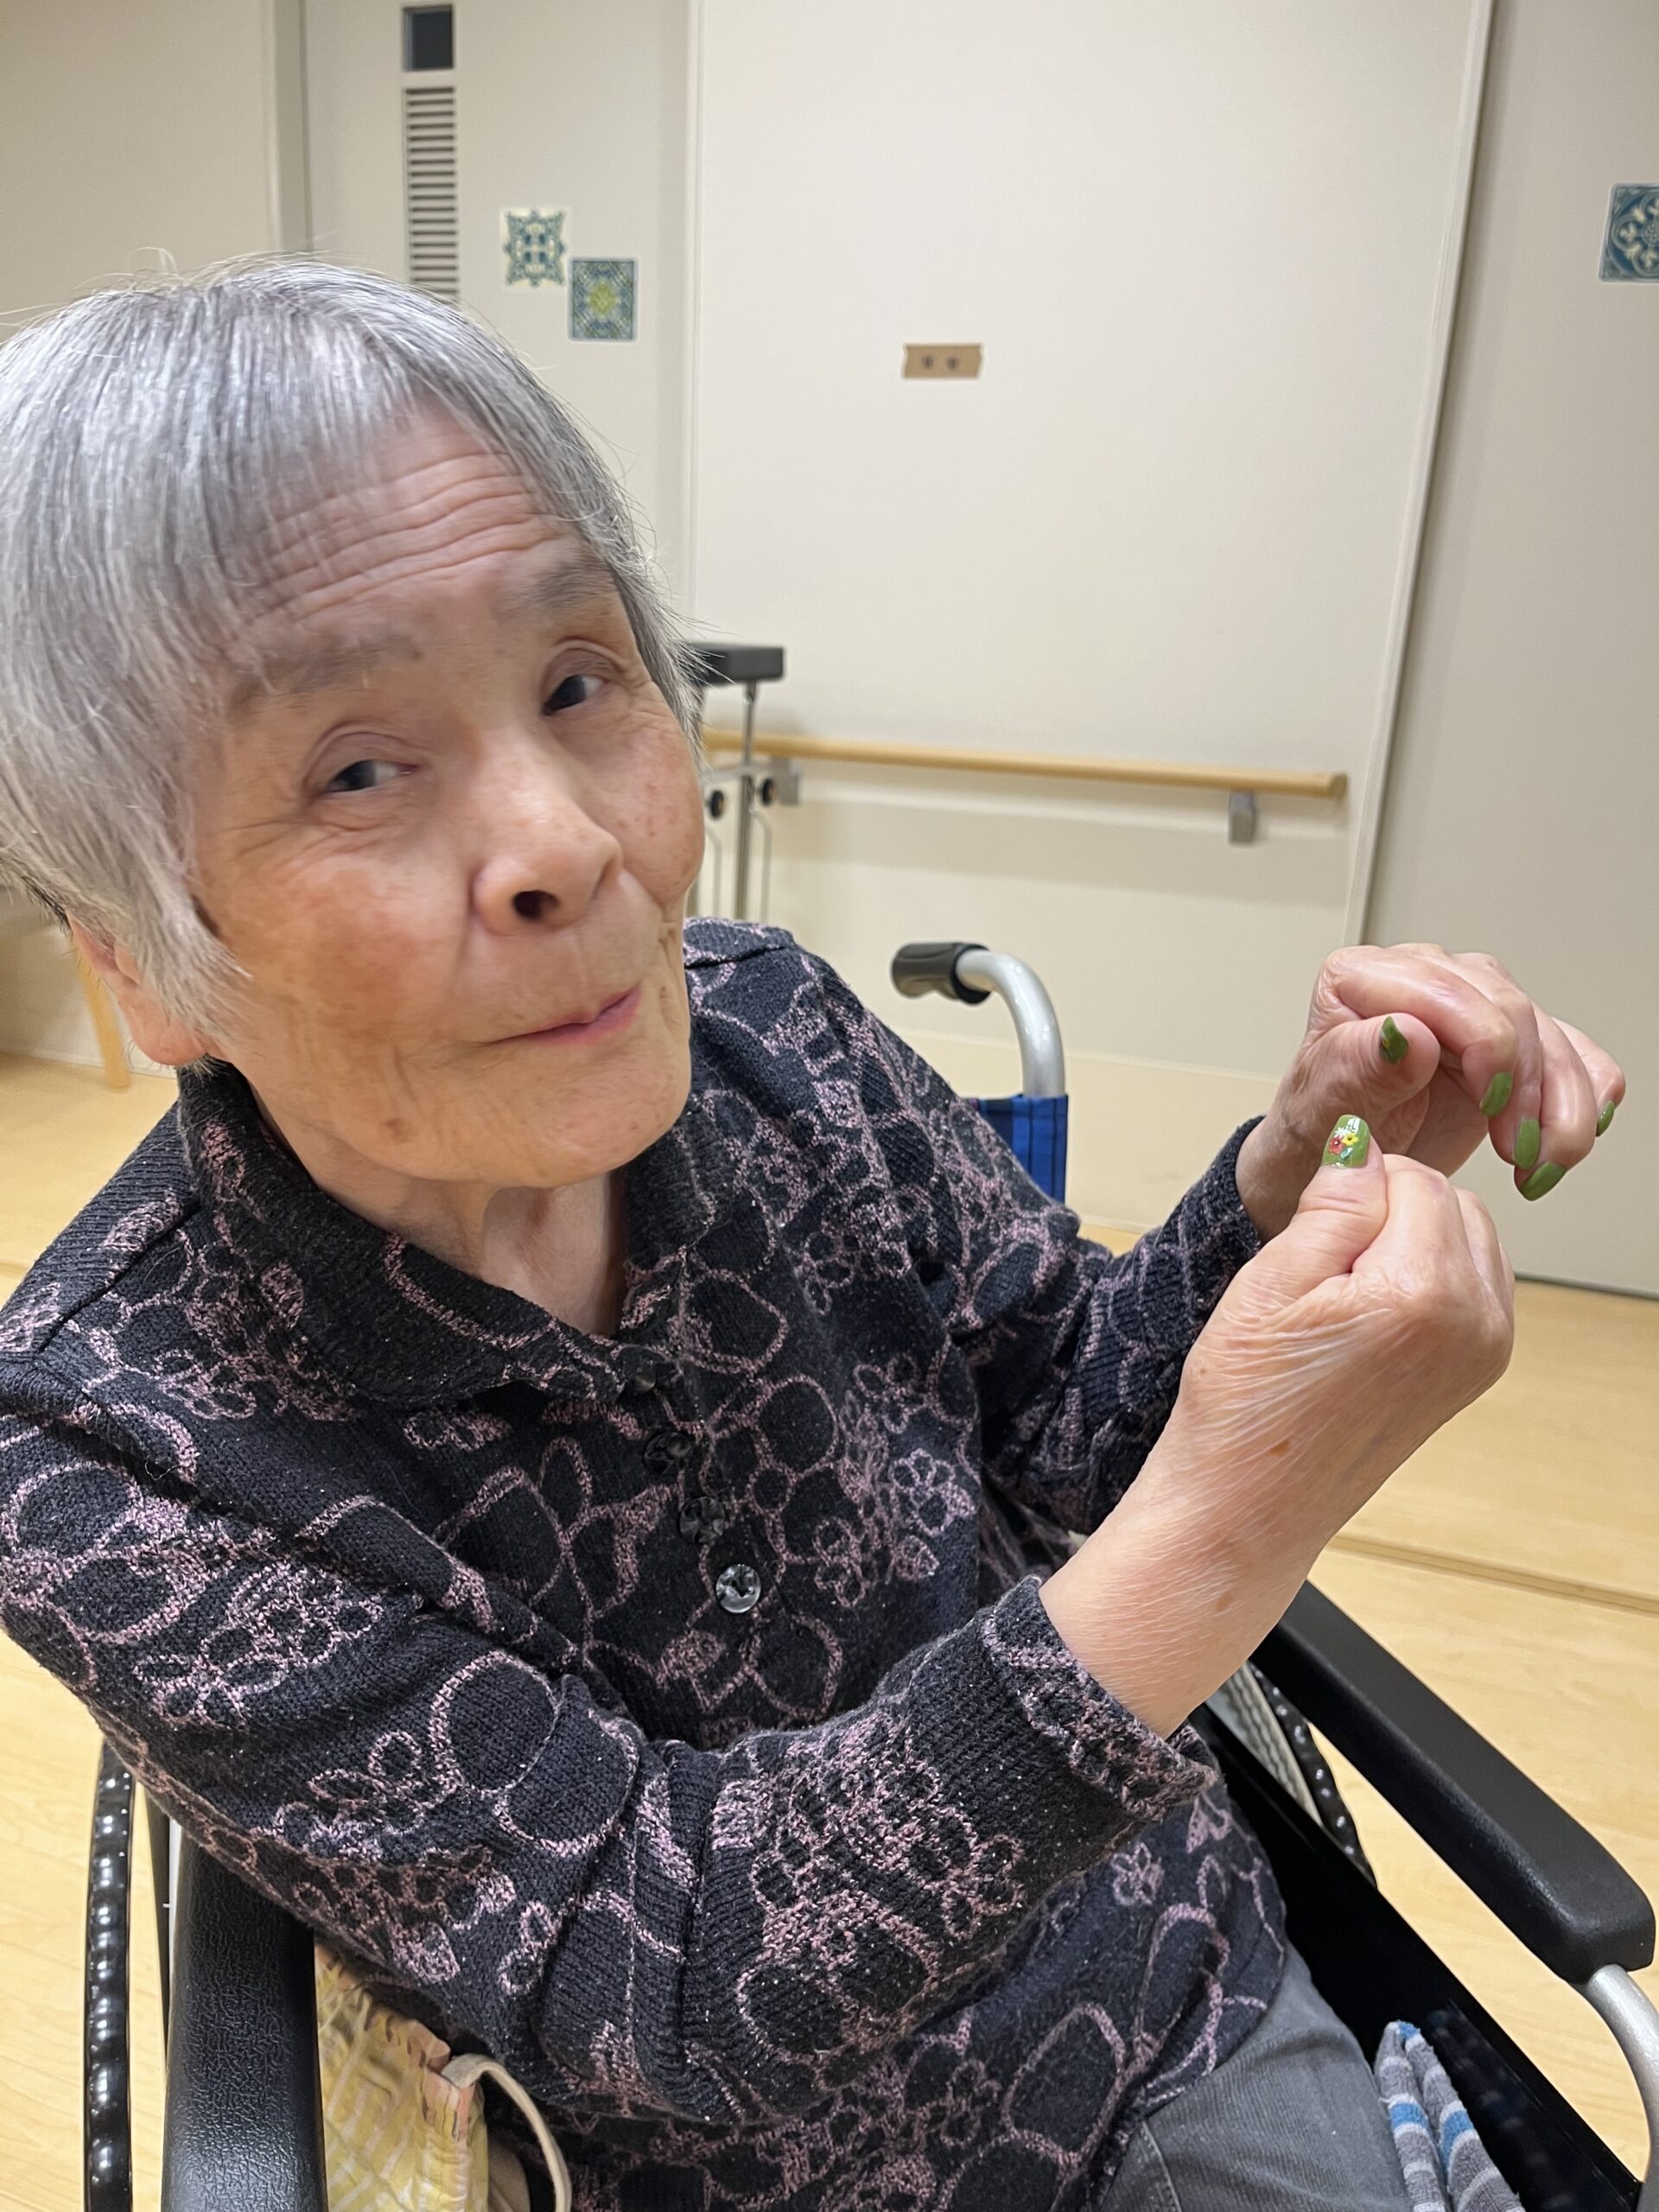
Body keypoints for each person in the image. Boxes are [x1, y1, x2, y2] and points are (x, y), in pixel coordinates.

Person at [0, 263, 1622, 2212]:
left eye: (578, 682)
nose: (572, 843)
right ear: (138, 959)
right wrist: (1233, 1521)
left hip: (1176, 2006)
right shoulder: (109, 1440)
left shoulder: (772, 1030)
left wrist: (1289, 1177)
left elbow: (1069, 1422)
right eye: (359, 768)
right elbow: (659, 1978)